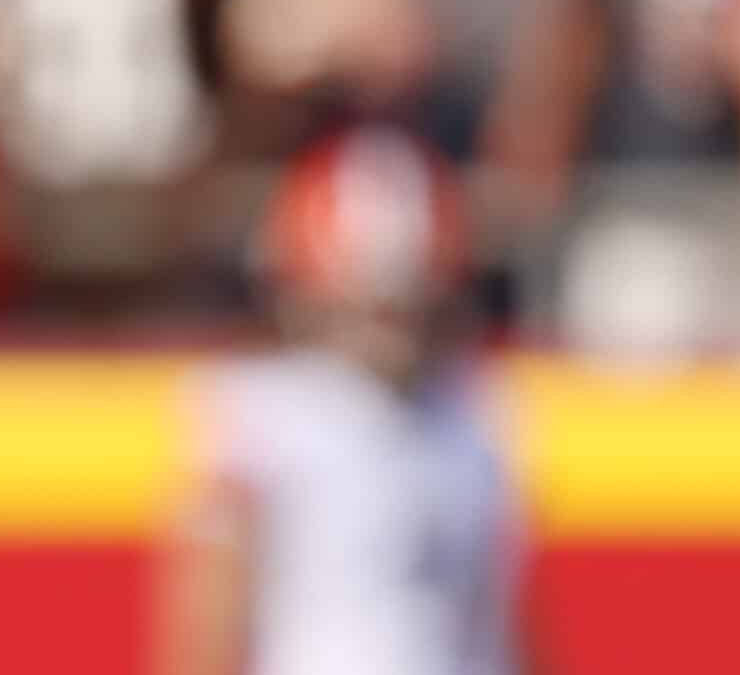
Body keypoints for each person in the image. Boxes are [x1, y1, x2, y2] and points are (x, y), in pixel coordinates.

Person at [156, 125, 538, 675]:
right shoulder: (259, 411)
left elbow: (502, 621)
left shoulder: (477, 409)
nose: (391, 323)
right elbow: (211, 623)